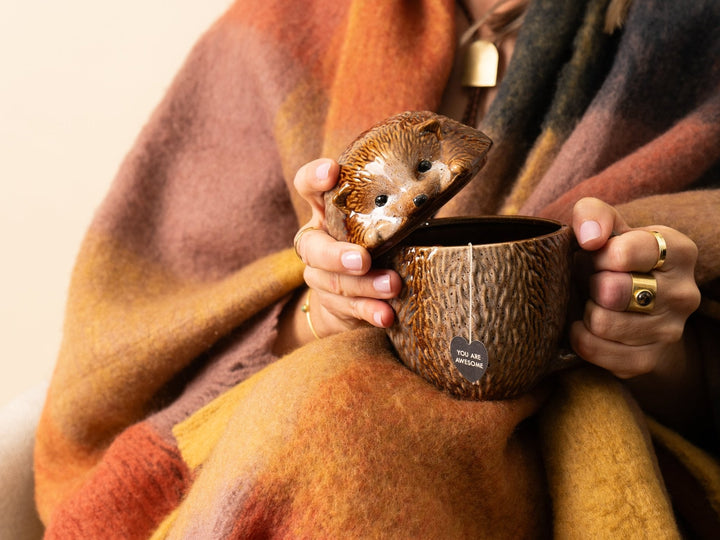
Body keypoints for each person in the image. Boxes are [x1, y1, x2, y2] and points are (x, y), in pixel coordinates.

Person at [34, 0, 720, 537]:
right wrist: (317, 312)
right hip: (276, 459)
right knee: (341, 411)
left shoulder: (696, 34)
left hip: (588, 477)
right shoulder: (285, 25)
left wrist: (656, 350)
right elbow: (128, 341)